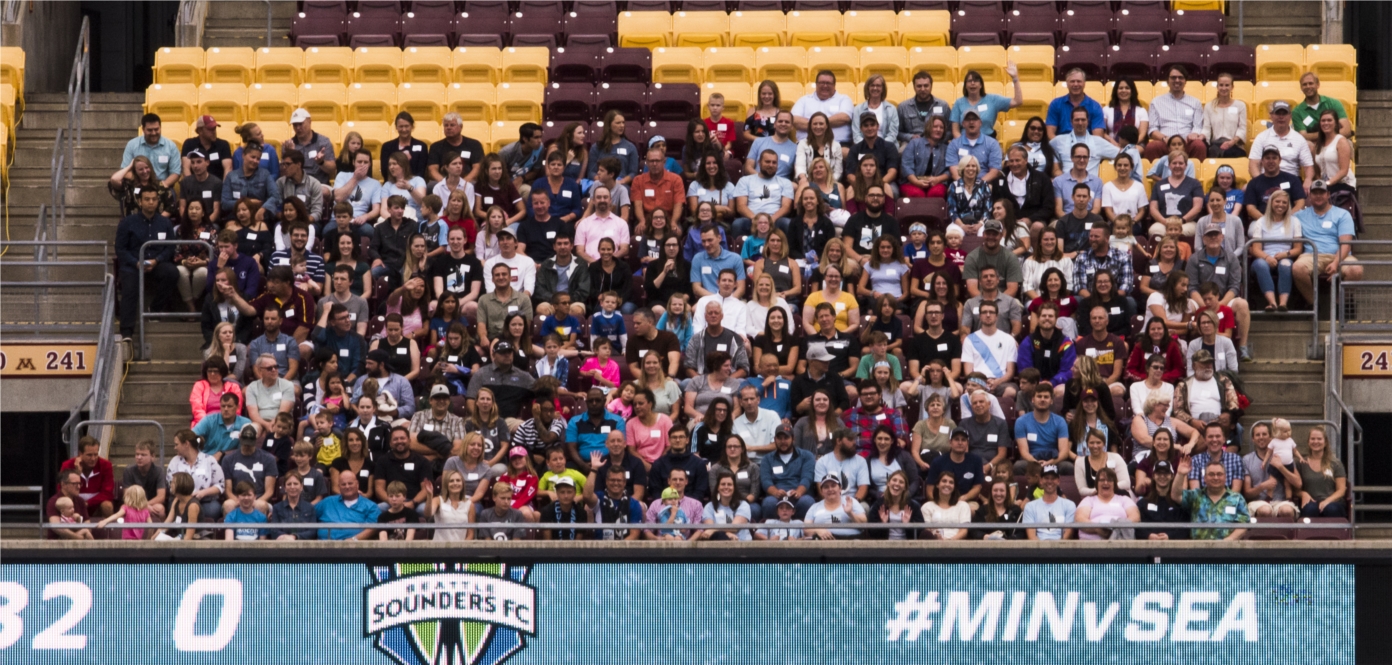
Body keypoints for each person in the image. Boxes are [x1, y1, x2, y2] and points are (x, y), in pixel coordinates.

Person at [114, 187, 180, 337]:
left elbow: (170, 247)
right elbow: (120, 248)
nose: (151, 202)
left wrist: (157, 260)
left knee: (172, 273)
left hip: (156, 263)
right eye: (147, 199)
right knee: (129, 289)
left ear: (158, 201)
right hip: (133, 264)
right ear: (139, 201)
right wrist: (136, 262)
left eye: (154, 199)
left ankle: (155, 310)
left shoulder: (165, 223)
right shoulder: (127, 222)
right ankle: (126, 334)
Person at [1293, 179, 1362, 305]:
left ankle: (1338, 305)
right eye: (1315, 193)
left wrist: (1336, 263)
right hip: (1311, 255)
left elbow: (1346, 244)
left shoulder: (1342, 214)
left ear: (1328, 194)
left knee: (1356, 270)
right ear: (1309, 195)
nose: (1318, 196)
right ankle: (1314, 304)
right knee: (1297, 268)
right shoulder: (1299, 216)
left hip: (1339, 255)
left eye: (1322, 192)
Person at [1172, 455, 1249, 541]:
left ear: (1225, 477)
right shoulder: (1196, 496)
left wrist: (1228, 541)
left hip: (1227, 551)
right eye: (1211, 474)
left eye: (1219, 474)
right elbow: (1176, 496)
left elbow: (1243, 524)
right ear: (1204, 478)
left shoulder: (1237, 499)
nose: (1215, 477)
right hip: (1198, 550)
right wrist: (1180, 474)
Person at [1143, 66, 1207, 160]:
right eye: (1173, 78)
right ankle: (1154, 175)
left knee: (1199, 145)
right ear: (1167, 81)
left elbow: (1198, 126)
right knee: (1151, 147)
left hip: (1187, 142)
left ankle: (1194, 174)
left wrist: (1193, 134)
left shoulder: (1195, 102)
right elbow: (1152, 129)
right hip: (1165, 142)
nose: (1177, 80)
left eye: (1180, 77)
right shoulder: (1156, 102)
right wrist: (1165, 139)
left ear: (1185, 81)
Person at [1248, 101, 1315, 188]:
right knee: (1246, 188)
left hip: (1291, 181)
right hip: (1267, 178)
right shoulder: (1261, 137)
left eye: (1284, 113)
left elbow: (1308, 166)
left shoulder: (1299, 139)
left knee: (1309, 191)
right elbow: (1253, 164)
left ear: (1290, 116)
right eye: (1277, 113)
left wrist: (1308, 180)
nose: (1281, 117)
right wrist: (1260, 182)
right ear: (1271, 116)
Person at [960, 301, 1018, 401]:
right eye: (984, 312)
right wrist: (981, 383)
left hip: (1001, 382)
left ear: (997, 316)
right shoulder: (969, 339)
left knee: (1010, 391)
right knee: (967, 392)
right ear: (979, 316)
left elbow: (1010, 371)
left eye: (991, 312)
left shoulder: (1008, 339)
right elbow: (968, 372)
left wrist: (997, 382)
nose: (988, 315)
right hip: (976, 381)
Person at [732, 150, 795, 238]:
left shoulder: (785, 182)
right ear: (759, 162)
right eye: (767, 162)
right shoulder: (745, 180)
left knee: (787, 223)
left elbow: (786, 207)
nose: (771, 165)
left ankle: (789, 251)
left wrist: (770, 219)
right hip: (751, 219)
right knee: (737, 224)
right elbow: (741, 206)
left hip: (775, 219)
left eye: (774, 162)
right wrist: (756, 219)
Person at [1241, 422, 1299, 519]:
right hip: (1258, 503)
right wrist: (1262, 486)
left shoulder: (1283, 456)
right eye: (1257, 435)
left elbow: (1298, 483)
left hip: (1281, 502)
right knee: (1265, 510)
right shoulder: (1247, 460)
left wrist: (1281, 467)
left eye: (1264, 434)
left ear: (1270, 437)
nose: (1261, 437)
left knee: (1287, 511)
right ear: (1253, 439)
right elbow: (1247, 493)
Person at [118, 113, 181, 188]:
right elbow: (125, 171)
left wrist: (164, 185)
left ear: (160, 128)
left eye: (156, 129)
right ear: (143, 129)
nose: (154, 133)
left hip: (162, 185)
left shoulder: (171, 146)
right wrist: (142, 182)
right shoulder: (132, 145)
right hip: (139, 185)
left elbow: (176, 172)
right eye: (150, 130)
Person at [847, 112, 903, 195]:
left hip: (884, 182)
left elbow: (892, 172)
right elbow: (850, 174)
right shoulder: (855, 149)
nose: (869, 128)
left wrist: (876, 186)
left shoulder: (889, 147)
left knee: (893, 191)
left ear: (878, 126)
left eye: (872, 125)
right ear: (860, 128)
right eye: (866, 125)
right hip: (861, 184)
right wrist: (861, 186)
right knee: (849, 191)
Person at [792, 69, 854, 143]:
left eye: (828, 83)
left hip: (838, 144)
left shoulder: (844, 99)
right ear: (816, 84)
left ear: (834, 85)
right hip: (807, 144)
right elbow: (794, 120)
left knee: (846, 152)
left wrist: (816, 124)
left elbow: (844, 117)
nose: (825, 85)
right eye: (822, 83)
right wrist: (824, 124)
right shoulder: (804, 100)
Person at [804, 472, 866, 540]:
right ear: (822, 491)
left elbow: (864, 524)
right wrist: (818, 530)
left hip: (851, 539)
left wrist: (850, 513)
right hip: (824, 541)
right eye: (826, 487)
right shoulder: (814, 507)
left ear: (840, 488)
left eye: (833, 486)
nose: (830, 489)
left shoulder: (851, 501)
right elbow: (806, 530)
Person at [1293, 72, 1353, 142]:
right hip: (1314, 144)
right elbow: (1303, 136)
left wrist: (1324, 136)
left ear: (1318, 85)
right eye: (1304, 84)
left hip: (1336, 141)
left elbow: (1346, 130)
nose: (1308, 86)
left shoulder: (1334, 103)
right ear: (1301, 88)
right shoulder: (1297, 111)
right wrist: (1328, 134)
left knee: (1346, 142)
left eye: (1311, 83)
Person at [1021, 464, 1076, 540]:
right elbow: (1032, 536)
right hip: (1038, 549)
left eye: (1053, 478)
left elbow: (1068, 533)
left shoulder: (1069, 505)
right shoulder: (1030, 506)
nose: (1049, 481)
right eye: (1046, 478)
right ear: (1041, 480)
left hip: (1062, 549)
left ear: (1058, 481)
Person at [1201, 73, 1249, 158]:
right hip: (1215, 145)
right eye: (1221, 85)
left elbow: (1242, 128)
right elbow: (1206, 128)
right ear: (1217, 87)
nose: (1224, 88)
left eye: (1227, 85)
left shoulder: (1240, 105)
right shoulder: (1209, 106)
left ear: (1232, 87)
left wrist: (1232, 142)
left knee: (1230, 153)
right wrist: (1202, 137)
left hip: (1234, 145)